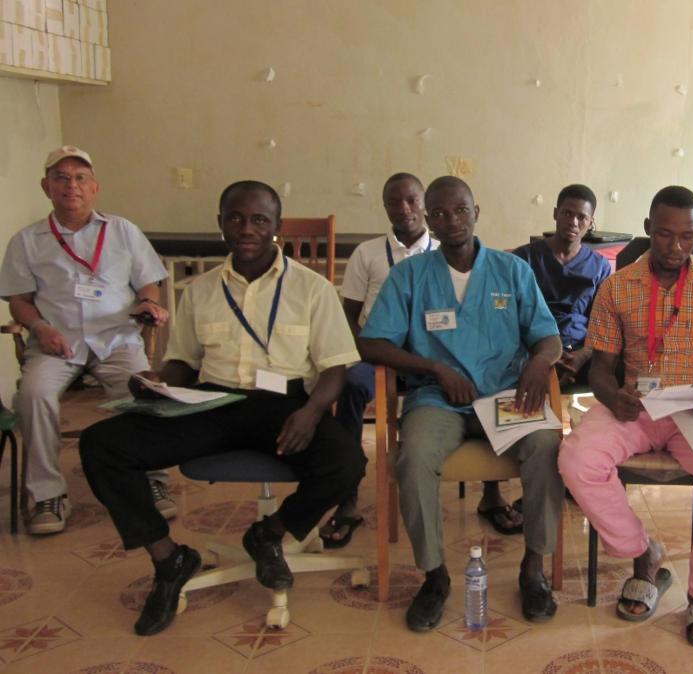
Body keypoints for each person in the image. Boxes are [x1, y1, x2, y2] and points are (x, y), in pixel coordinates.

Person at [78, 180, 365, 636]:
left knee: (347, 460)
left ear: (277, 227)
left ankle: (268, 535)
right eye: (235, 217)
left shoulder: (312, 289)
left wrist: (310, 413)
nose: (246, 228)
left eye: (258, 220)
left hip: (282, 406)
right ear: (220, 223)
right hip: (212, 401)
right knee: (102, 444)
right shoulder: (199, 289)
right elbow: (183, 364)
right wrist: (157, 382)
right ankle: (169, 559)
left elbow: (335, 369)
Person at [357, 176, 564, 631]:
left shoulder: (512, 271)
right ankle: (434, 577)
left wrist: (539, 362)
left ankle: (533, 568)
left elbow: (548, 335)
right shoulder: (409, 275)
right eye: (440, 213)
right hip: (438, 400)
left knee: (548, 444)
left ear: (476, 212)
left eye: (460, 210)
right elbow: (372, 343)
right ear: (428, 219)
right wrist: (433, 369)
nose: (451, 220)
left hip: (507, 395)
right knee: (411, 459)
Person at [558, 186, 693, 648]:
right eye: (665, 234)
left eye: (688, 236)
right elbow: (601, 367)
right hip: (637, 407)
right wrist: (612, 396)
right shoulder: (616, 285)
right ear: (648, 230)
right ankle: (644, 554)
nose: (676, 247)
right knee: (576, 459)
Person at [0, 146, 174, 535]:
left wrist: (148, 302)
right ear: (46, 186)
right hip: (56, 343)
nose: (71, 186)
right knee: (32, 393)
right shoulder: (27, 241)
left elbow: (149, 281)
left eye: (80, 178)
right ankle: (46, 493)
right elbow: (19, 302)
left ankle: (152, 477)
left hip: (116, 339)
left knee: (146, 388)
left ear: (94, 187)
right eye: (61, 177)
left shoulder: (122, 230)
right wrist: (41, 328)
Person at [320, 172, 439, 548]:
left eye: (411, 200)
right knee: (351, 386)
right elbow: (349, 315)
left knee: (475, 384)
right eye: (393, 202)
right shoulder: (368, 253)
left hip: (429, 355)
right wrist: (359, 355)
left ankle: (490, 494)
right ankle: (348, 497)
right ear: (384, 206)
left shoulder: (444, 251)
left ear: (424, 203)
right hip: (377, 355)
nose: (403, 209)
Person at [512, 183, 612, 389]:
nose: (573, 222)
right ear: (556, 214)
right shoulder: (523, 259)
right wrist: (542, 356)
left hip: (579, 354)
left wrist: (582, 356)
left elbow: (602, 325)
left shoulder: (600, 267)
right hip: (532, 352)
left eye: (582, 217)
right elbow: (510, 319)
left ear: (591, 223)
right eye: (567, 213)